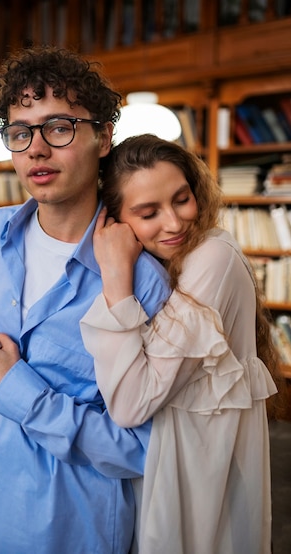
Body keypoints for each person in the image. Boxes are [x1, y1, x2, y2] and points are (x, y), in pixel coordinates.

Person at [0, 49, 170, 554]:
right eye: (21, 132)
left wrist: (10, 386)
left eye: (59, 128)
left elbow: (143, 450)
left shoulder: (145, 281)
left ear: (104, 137)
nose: (36, 150)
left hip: (59, 531)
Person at [80, 134, 279, 554]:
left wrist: (115, 276)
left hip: (200, 462)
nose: (174, 222)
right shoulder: (170, 263)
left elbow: (131, 403)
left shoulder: (212, 256)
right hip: (176, 453)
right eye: (149, 212)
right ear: (115, 222)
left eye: (181, 199)